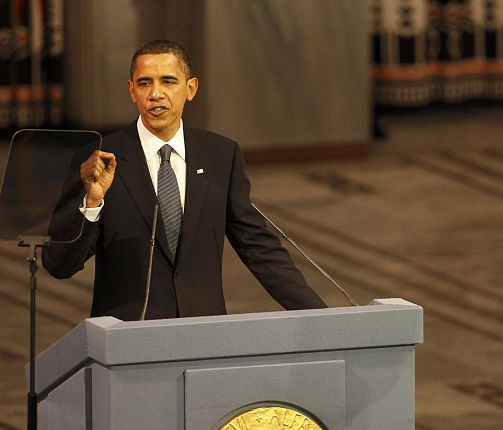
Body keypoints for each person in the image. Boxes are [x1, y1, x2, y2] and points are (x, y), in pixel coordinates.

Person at [43, 39, 326, 320]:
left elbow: (259, 248)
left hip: (203, 334)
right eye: (144, 83)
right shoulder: (100, 159)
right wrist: (92, 202)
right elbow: (59, 265)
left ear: (190, 89)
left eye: (168, 82)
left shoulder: (220, 155)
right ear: (131, 91)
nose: (156, 94)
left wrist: (323, 318)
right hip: (128, 339)